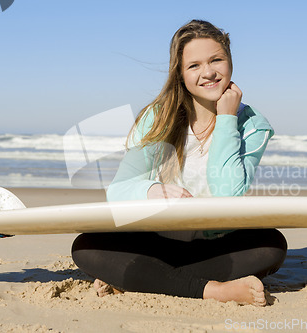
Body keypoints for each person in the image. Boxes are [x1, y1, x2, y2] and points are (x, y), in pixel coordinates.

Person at [71, 19, 287, 307]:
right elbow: (119, 190)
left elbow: (227, 195)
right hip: (156, 240)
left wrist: (226, 119)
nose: (208, 72)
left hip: (215, 244)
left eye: (216, 60)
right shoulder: (157, 118)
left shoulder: (252, 125)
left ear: (230, 62)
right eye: (194, 65)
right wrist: (152, 190)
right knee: (86, 246)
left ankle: (138, 278)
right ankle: (216, 290)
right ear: (180, 73)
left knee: (271, 246)